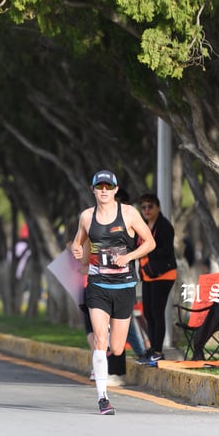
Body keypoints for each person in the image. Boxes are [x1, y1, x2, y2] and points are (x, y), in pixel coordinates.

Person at [72, 169, 155, 415]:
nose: (104, 191)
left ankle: (110, 342)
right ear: (93, 190)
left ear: (116, 190)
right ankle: (102, 398)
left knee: (117, 348)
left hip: (124, 286)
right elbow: (80, 242)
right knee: (100, 340)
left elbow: (150, 242)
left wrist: (128, 256)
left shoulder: (129, 214)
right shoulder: (87, 216)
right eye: (100, 187)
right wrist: (79, 253)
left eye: (109, 187)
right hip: (97, 285)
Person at [137, 193, 178, 363]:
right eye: (144, 207)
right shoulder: (143, 225)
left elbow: (166, 250)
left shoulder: (164, 226)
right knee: (147, 312)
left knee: (157, 311)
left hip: (163, 274)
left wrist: (147, 250)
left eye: (150, 206)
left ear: (158, 207)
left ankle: (158, 351)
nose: (146, 210)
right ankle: (152, 348)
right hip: (147, 274)